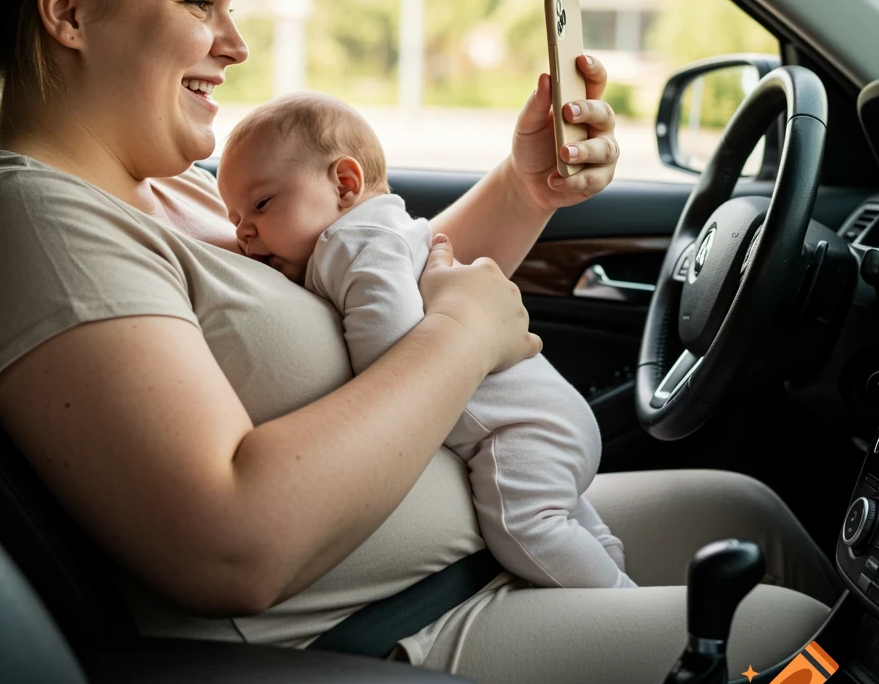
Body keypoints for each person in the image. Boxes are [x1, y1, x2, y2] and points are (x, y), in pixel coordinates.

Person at [0, 0, 840, 684]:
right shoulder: (31, 226)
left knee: (748, 513)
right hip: (388, 644)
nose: (235, 44)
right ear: (68, 10)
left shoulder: (178, 190)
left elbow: (378, 275)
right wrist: (464, 340)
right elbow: (230, 546)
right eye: (200, 3)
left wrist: (525, 190)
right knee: (804, 647)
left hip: (479, 551)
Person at [217, 91, 636, 591]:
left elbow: (391, 348)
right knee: (564, 517)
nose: (244, 232)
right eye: (235, 219)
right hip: (543, 416)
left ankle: (612, 597)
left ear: (345, 184)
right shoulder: (380, 232)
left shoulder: (350, 245)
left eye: (261, 205)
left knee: (526, 526)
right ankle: (614, 570)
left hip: (517, 428)